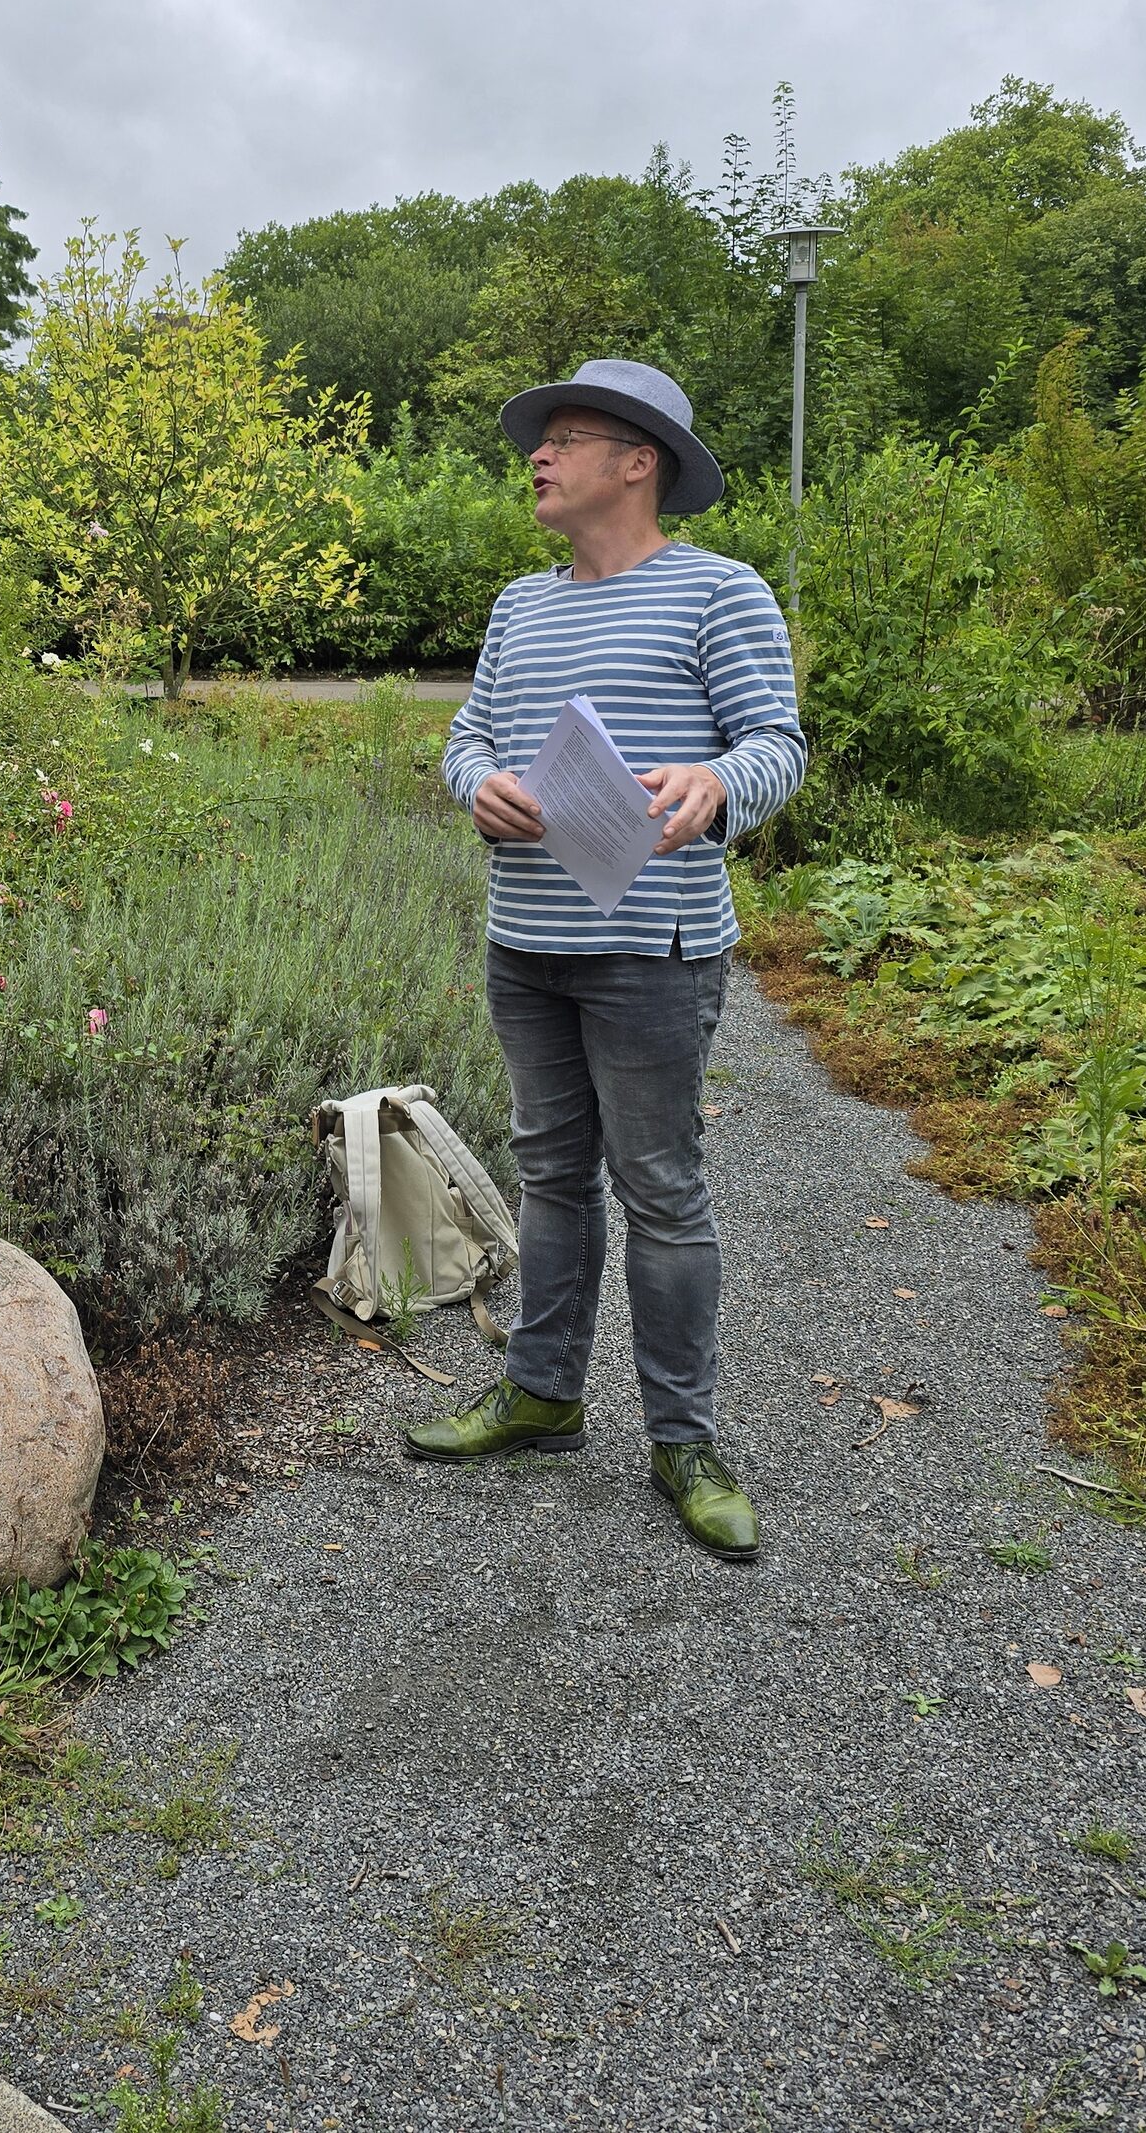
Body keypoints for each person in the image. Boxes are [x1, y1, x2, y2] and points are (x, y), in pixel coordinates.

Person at [411, 357, 806, 1558]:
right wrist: (474, 779)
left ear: (640, 461)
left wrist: (713, 781)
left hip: (653, 946)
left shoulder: (718, 592)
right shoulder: (517, 606)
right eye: (541, 440)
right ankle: (542, 1394)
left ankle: (683, 1437)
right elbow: (471, 730)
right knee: (550, 1174)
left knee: (663, 1193)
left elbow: (774, 743)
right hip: (526, 938)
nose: (539, 453)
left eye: (567, 437)